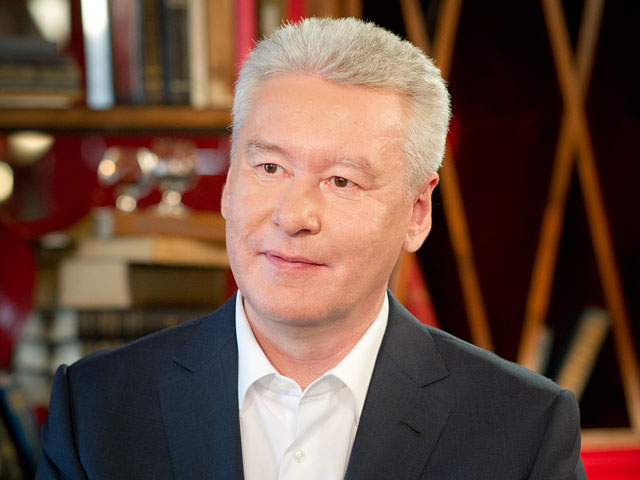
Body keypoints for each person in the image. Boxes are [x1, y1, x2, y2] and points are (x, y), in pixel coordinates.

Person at [37, 17, 586, 479]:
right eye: (269, 167)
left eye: (341, 181)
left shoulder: (522, 429)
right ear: (228, 186)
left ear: (417, 213)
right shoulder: (96, 408)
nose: (294, 216)